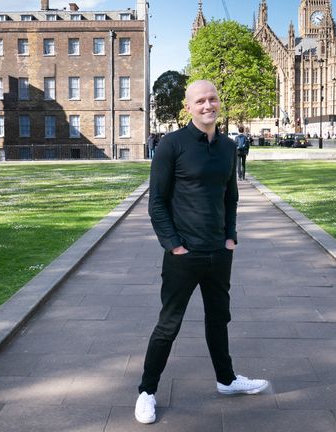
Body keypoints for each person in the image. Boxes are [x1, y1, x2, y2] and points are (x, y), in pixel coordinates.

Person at [135, 80, 268, 425]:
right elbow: (157, 203)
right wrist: (173, 244)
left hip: (219, 253)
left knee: (219, 319)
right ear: (188, 106)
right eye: (200, 101)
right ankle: (147, 391)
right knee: (169, 324)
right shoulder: (171, 145)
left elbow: (231, 197)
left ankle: (226, 380)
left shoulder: (226, 147)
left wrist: (230, 238)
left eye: (212, 99)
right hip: (183, 254)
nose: (207, 105)